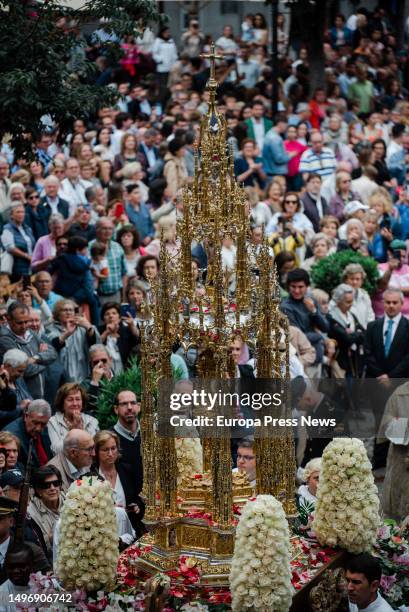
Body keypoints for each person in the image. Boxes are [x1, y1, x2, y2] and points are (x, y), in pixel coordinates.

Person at [0, 302, 57, 400]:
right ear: (9, 320)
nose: (24, 326)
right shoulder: (4, 339)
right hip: (23, 395)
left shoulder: (30, 332)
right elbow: (25, 370)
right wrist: (46, 362)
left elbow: (53, 354)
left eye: (26, 322)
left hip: (43, 391)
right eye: (19, 323)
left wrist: (35, 358)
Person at [93, 430, 145, 534]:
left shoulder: (128, 470)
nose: (110, 454)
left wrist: (137, 506)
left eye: (113, 448)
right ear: (96, 452)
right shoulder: (91, 477)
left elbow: (140, 496)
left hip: (130, 530)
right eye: (105, 450)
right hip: (104, 533)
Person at [111, 390, 143, 532]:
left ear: (139, 406)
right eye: (124, 404)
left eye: (133, 403)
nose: (129, 407)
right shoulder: (110, 440)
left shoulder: (150, 435)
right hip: (127, 512)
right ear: (116, 409)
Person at [280, 269, 329, 364]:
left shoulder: (311, 301)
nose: (296, 290)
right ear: (288, 287)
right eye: (293, 287)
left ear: (307, 287)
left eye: (300, 287)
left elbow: (325, 327)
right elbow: (298, 336)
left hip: (317, 354)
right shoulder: (285, 307)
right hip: (302, 356)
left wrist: (314, 311)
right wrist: (320, 337)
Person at [49, 235, 100, 325]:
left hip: (62, 295)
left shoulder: (61, 260)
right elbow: (88, 286)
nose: (86, 251)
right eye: (85, 249)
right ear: (78, 250)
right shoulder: (85, 263)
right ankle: (96, 328)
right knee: (94, 302)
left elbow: (49, 271)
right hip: (81, 296)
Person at [46, 299, 99, 382]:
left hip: (82, 373)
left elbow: (94, 344)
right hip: (61, 376)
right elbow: (52, 346)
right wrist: (67, 333)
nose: (68, 312)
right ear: (57, 314)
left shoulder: (82, 329)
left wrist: (88, 327)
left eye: (71, 310)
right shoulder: (51, 329)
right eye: (64, 310)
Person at [47, 383, 99, 455]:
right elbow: (56, 451)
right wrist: (73, 433)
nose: (75, 403)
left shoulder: (92, 421)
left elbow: (94, 450)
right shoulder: (52, 422)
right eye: (70, 400)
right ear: (62, 403)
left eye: (78, 399)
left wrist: (81, 432)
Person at [28, 465, 65, 562]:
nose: (52, 488)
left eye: (56, 483)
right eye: (46, 485)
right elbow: (37, 548)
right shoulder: (30, 513)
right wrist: (50, 539)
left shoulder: (71, 500)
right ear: (38, 490)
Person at [328, 284, 365, 378]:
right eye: (348, 302)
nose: (351, 304)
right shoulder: (331, 317)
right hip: (340, 361)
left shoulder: (352, 315)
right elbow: (346, 338)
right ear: (338, 301)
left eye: (352, 301)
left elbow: (364, 334)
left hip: (355, 360)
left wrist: (354, 334)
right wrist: (356, 334)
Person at [3, 399, 52, 468]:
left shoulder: (44, 428)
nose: (38, 428)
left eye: (43, 424)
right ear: (26, 416)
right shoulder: (11, 437)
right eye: (35, 423)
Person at [91, 217, 127, 305]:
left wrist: (123, 296)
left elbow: (124, 273)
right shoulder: (89, 247)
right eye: (104, 228)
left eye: (110, 228)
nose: (108, 231)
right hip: (96, 295)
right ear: (97, 230)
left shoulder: (118, 247)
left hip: (116, 294)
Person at [47, 429, 95, 493]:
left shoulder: (84, 462)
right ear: (73, 453)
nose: (94, 454)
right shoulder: (53, 474)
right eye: (89, 449)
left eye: (93, 447)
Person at [99, 302, 139, 374]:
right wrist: (106, 332)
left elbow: (139, 342)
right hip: (106, 374)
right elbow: (95, 347)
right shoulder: (99, 331)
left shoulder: (127, 330)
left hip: (126, 374)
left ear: (119, 317)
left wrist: (132, 326)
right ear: (103, 318)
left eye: (114, 313)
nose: (111, 316)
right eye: (107, 314)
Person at [0, 204, 35, 283]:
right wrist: (27, 256)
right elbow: (10, 248)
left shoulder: (28, 229)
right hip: (15, 268)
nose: (21, 214)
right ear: (11, 215)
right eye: (18, 212)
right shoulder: (7, 229)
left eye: (22, 212)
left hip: (29, 267)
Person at [0, 349, 31, 425]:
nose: (22, 375)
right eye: (19, 371)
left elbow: (29, 397)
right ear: (7, 366)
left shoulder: (18, 379)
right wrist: (20, 408)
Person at [0, 544, 34, 611]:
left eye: (21, 566)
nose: (16, 571)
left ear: (32, 566)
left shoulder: (46, 586)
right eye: (11, 567)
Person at [341, 263, 375, 329]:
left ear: (362, 281)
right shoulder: (339, 296)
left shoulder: (365, 295)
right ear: (346, 280)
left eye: (357, 279)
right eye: (352, 279)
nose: (355, 282)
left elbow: (370, 317)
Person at [262, 114, 294, 180]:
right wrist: (290, 155)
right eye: (286, 124)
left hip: (271, 172)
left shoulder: (269, 134)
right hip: (276, 174)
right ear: (280, 124)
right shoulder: (275, 138)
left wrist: (284, 153)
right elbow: (279, 159)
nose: (286, 127)